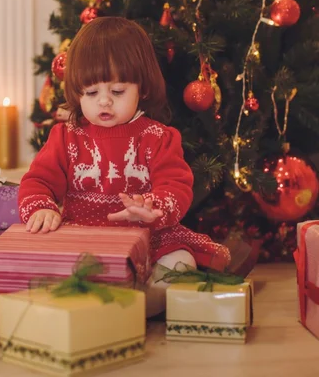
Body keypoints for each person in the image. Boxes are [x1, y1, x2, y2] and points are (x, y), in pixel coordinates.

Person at [18, 17, 230, 315]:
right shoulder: (66, 136)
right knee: (43, 267)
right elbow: (37, 180)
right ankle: (99, 300)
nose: (104, 102)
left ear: (141, 88)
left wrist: (153, 207)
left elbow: (176, 186)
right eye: (91, 93)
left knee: (181, 264)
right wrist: (41, 206)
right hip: (85, 238)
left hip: (148, 239)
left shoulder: (158, 137)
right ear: (77, 92)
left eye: (117, 91)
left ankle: (131, 306)